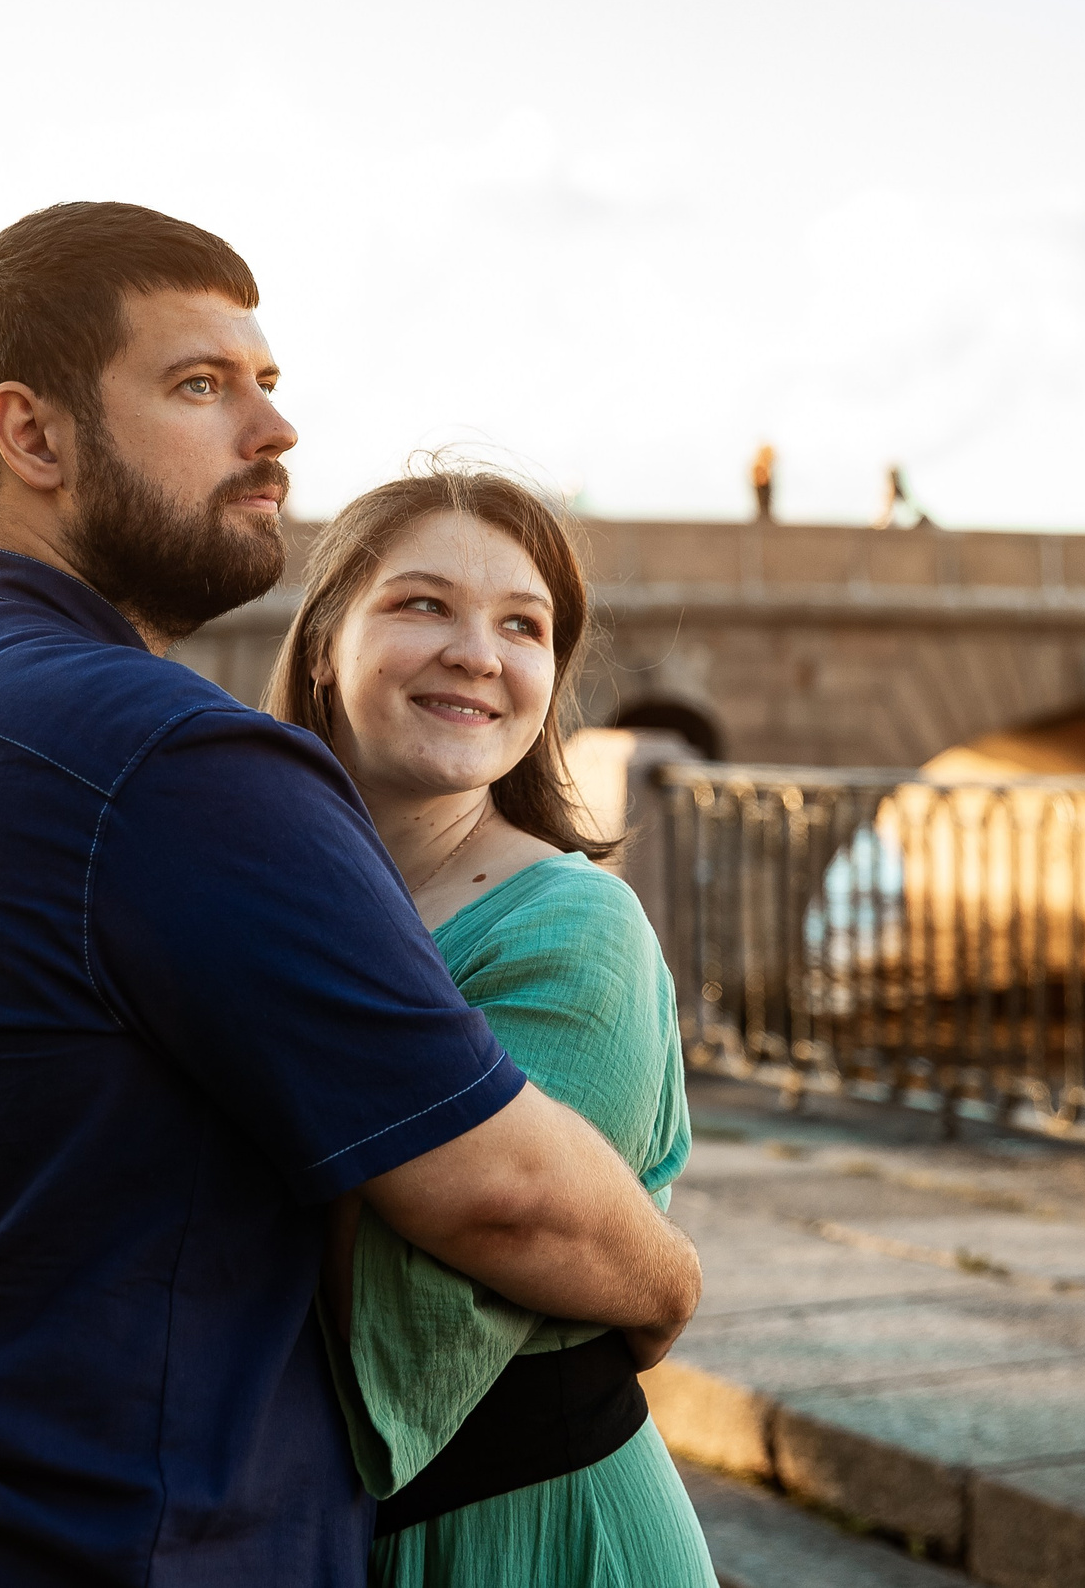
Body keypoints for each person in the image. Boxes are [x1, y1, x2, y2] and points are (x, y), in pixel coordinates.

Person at [0, 203, 701, 1587]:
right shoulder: (164, 759)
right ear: (35, 437)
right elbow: (508, 1196)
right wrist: (672, 1280)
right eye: (203, 386)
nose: (274, 432)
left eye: (268, 384)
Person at [265, 469, 717, 1586]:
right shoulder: (254, 892)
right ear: (325, 642)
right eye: (422, 604)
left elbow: (488, 1229)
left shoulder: (576, 925)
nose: (477, 651)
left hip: (532, 1532)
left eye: (522, 624)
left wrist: (655, 1274)